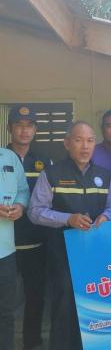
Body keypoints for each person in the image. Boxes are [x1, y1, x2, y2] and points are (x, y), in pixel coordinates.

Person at [28, 122, 111, 350]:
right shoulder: (51, 174)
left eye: (90, 141)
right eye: (78, 140)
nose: (85, 146)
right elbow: (35, 212)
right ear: (67, 143)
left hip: (95, 254)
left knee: (96, 305)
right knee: (64, 305)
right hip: (62, 253)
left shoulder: (104, 176)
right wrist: (68, 219)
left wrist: (106, 216)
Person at [7, 105, 52, 350]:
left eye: (29, 126)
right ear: (9, 128)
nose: (24, 131)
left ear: (35, 130)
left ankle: (32, 342)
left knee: (35, 296)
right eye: (19, 125)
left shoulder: (45, 161)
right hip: (4, 244)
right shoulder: (1, 157)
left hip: (36, 242)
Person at [0, 147, 29, 350]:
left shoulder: (9, 157)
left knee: (6, 312)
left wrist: (20, 205)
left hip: (5, 250)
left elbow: (23, 190)